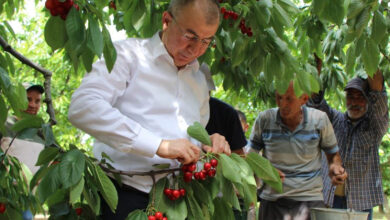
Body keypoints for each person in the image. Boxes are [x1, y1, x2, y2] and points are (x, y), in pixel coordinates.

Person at [68, 1, 230, 219]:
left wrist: (207, 144)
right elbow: (83, 106)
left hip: (178, 201)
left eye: (206, 41)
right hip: (123, 196)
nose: (196, 49)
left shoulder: (199, 80)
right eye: (190, 37)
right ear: (166, 21)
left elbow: (190, 138)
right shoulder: (127, 55)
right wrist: (158, 145)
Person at [249, 81, 347, 220]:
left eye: (289, 99)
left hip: (309, 201)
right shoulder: (264, 119)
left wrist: (335, 167)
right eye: (279, 97)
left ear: (304, 99)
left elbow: (333, 156)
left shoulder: (319, 119)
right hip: (272, 202)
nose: (282, 104)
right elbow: (249, 157)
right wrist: (264, 170)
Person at [307, 70, 388, 220]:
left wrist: (369, 54)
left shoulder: (374, 126)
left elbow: (379, 99)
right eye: (350, 97)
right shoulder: (334, 120)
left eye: (360, 97)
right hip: (329, 200)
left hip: (360, 203)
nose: (354, 102)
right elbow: (316, 106)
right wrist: (315, 70)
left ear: (368, 100)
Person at [0, 82, 45, 220]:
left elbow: (49, 159)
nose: (32, 105)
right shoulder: (4, 124)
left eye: (37, 101)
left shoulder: (41, 131)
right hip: (5, 195)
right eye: (28, 99)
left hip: (27, 197)